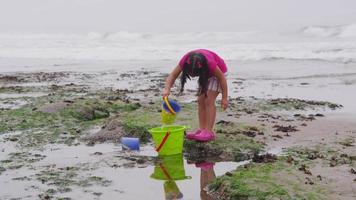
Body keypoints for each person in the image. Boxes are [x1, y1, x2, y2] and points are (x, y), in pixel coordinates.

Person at [162, 49, 228, 142]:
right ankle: (202, 130)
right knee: (201, 100)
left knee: (209, 100)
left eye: (195, 74)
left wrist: (224, 98)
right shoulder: (185, 61)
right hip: (207, 75)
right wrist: (167, 88)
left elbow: (222, 79)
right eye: (190, 73)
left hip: (219, 74)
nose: (192, 76)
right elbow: (172, 75)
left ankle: (209, 132)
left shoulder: (210, 64)